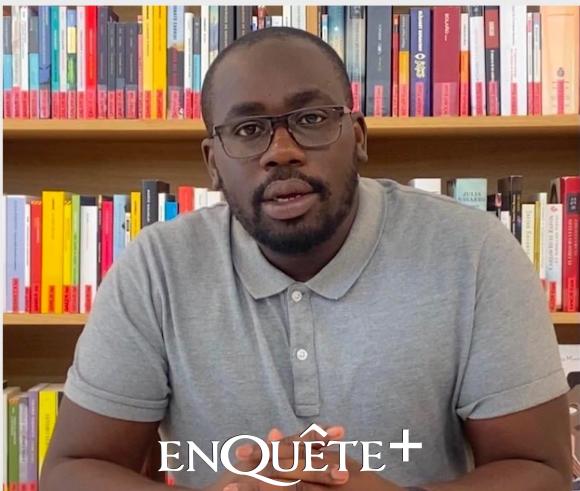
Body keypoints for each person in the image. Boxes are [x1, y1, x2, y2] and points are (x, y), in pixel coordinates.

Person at [40, 27, 571, 491]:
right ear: (213, 163)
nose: (282, 151)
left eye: (312, 118)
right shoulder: (157, 268)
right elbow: (73, 470)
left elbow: (542, 469)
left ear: (357, 138)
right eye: (248, 129)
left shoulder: (472, 251)